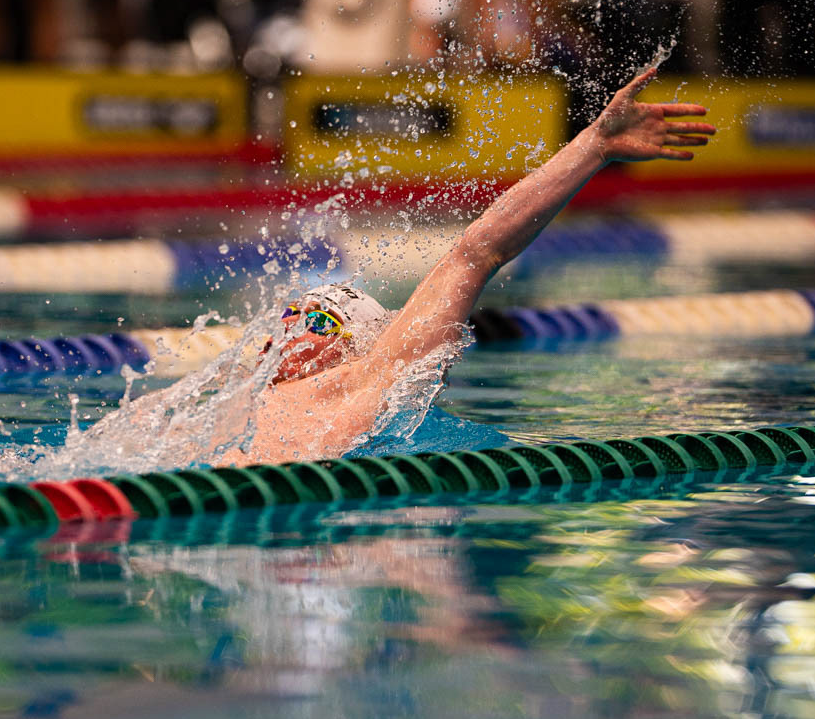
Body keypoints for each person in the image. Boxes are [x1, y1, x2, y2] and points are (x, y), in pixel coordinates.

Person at [97, 67, 715, 467]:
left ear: (364, 346)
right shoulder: (202, 415)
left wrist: (593, 146)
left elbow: (477, 253)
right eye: (286, 315)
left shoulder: (369, 383)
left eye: (314, 318)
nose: (286, 329)